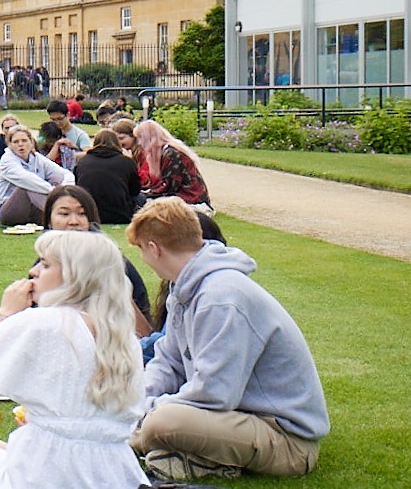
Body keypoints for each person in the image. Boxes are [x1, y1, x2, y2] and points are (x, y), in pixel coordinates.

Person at [0, 231, 149, 489]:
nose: (34, 272)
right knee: (10, 446)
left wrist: (5, 312)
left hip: (43, 475)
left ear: (73, 275)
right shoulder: (124, 338)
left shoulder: (44, 323)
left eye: (45, 264)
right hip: (114, 471)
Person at [126, 198, 327, 481]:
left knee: (161, 424)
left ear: (153, 248)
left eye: (142, 251)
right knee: (147, 413)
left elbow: (214, 393)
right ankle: (164, 449)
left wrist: (143, 415)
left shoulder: (220, 298)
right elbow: (169, 362)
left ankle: (133, 442)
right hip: (238, 419)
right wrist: (136, 401)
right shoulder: (185, 288)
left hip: (286, 439)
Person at [44, 184, 153, 337]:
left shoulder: (113, 263)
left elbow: (145, 333)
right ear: (49, 221)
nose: (74, 221)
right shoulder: (43, 268)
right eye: (64, 214)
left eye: (82, 214)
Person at [0, 126, 72, 225]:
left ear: (31, 142)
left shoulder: (37, 158)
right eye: (16, 142)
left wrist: (64, 189)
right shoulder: (7, 160)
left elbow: (65, 174)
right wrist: (52, 191)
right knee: (26, 187)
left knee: (57, 180)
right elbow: (26, 179)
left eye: (24, 141)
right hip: (10, 212)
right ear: (9, 145)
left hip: (34, 207)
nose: (21, 145)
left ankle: (66, 212)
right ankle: (60, 213)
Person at [133, 119, 211, 208]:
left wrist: (147, 193)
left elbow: (170, 186)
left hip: (192, 199)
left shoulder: (172, 154)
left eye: (140, 138)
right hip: (185, 197)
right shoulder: (167, 151)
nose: (139, 143)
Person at [73, 128, 141, 226]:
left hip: (90, 214)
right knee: (141, 198)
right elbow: (135, 190)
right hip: (120, 214)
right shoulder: (126, 162)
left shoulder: (82, 162)